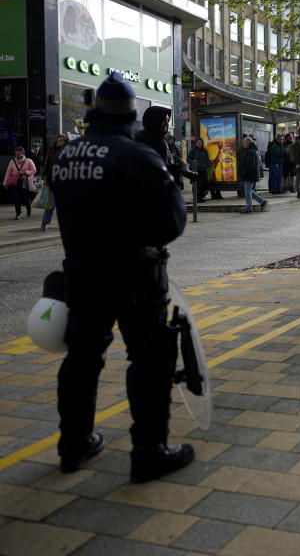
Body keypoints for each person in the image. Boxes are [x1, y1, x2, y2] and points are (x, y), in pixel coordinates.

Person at [50, 72, 194, 483]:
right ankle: (148, 451)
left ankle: (72, 445)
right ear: (133, 114)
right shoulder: (136, 156)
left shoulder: (66, 156)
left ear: (94, 111)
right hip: (136, 279)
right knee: (148, 360)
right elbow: (172, 222)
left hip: (81, 276)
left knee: (81, 359)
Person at [40, 135, 69, 231]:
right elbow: (46, 164)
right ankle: (44, 224)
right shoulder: (52, 151)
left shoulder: (70, 151)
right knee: (51, 204)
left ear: (65, 142)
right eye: (57, 141)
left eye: (60, 141)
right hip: (53, 181)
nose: (58, 143)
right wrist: (44, 177)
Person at [4, 145, 37, 219]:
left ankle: (28, 211)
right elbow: (8, 173)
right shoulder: (12, 162)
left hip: (24, 182)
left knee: (25, 198)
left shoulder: (28, 161)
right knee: (16, 197)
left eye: (19, 152)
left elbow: (34, 171)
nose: (17, 154)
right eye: (16, 152)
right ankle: (18, 214)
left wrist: (25, 172)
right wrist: (5, 182)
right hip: (14, 183)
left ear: (23, 153)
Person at [238, 136, 267, 213]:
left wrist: (243, 173)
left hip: (250, 175)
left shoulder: (251, 152)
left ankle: (249, 207)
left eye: (244, 142)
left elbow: (250, 165)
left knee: (247, 191)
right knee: (248, 190)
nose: (243, 144)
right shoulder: (249, 150)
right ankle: (262, 201)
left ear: (248, 143)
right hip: (250, 174)